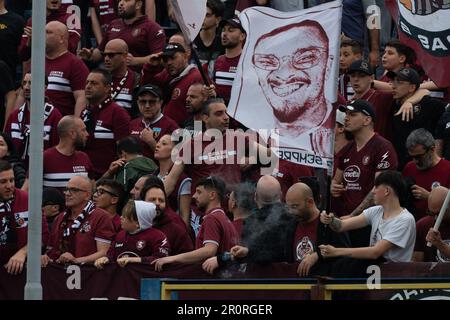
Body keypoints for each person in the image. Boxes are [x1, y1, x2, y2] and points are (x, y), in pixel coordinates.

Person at [252, 20, 334, 155]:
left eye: (305, 58)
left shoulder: (344, 125)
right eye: (267, 62)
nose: (284, 75)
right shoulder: (249, 125)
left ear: (328, 65)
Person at [320, 170, 416, 277]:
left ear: (387, 191)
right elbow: (342, 226)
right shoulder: (376, 211)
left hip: (393, 275)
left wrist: (336, 252)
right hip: (374, 271)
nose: (373, 192)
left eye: (376, 187)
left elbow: (375, 252)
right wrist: (330, 220)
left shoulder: (405, 219)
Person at [332, 99, 398, 247]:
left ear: (367, 120)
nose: (346, 118)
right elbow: (336, 180)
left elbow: (379, 190)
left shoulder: (383, 147)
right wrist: (333, 187)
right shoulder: (348, 149)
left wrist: (353, 216)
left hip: (370, 223)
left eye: (353, 114)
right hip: (346, 221)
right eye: (346, 114)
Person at [152, 176, 238, 271]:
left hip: (214, 280)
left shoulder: (212, 218)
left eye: (199, 192)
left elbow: (209, 250)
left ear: (212, 195)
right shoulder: (225, 219)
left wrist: (172, 258)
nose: (194, 196)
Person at [43, 175, 115, 265]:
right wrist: (45, 257)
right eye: (66, 189)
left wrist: (76, 261)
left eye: (74, 190)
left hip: (89, 275)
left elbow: (104, 253)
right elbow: (52, 251)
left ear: (87, 195)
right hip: (60, 275)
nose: (67, 193)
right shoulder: (60, 218)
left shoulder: (101, 217)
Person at [80, 0, 166, 71]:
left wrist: (136, 61)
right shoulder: (113, 24)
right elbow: (100, 52)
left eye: (126, 0)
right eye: (120, 0)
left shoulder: (152, 27)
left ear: (138, 5)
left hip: (140, 78)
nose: (121, 3)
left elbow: (160, 58)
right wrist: (90, 55)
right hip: (112, 78)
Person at [388, 68, 447, 169]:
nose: (393, 86)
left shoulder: (429, 105)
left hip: (424, 166)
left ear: (412, 87)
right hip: (400, 166)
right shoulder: (393, 104)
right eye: (393, 81)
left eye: (399, 82)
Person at [0, 160, 49, 274]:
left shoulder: (28, 200)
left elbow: (43, 236)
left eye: (12, 180)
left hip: (21, 270)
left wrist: (23, 252)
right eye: (3, 182)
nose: (9, 186)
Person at [82, 68, 131, 179]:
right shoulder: (85, 112)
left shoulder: (118, 113)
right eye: (87, 82)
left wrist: (111, 174)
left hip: (107, 176)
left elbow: (124, 152)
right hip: (84, 175)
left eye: (94, 83)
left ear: (107, 88)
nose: (88, 86)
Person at [5, 72, 62, 167]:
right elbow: (6, 149)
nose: (26, 87)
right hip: (16, 174)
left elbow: (58, 151)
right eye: (24, 83)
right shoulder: (14, 116)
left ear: (44, 88)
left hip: (43, 172)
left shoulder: (54, 116)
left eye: (31, 83)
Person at [140, 42, 204, 126]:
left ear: (185, 57)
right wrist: (151, 67)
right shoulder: (166, 74)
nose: (169, 63)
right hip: (163, 129)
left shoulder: (197, 77)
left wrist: (195, 133)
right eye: (165, 59)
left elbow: (202, 110)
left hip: (184, 131)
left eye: (173, 58)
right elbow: (147, 89)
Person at [94, 200, 170, 268]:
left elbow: (161, 258)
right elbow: (111, 254)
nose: (120, 217)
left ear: (137, 223)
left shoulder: (157, 236)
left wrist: (133, 260)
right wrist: (105, 259)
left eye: (125, 216)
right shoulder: (120, 235)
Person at [402, 129, 450, 220]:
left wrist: (429, 196)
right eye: (412, 157)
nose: (415, 161)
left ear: (432, 149)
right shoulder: (409, 167)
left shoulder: (447, 170)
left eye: (419, 156)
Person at [39, 116, 94, 192]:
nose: (87, 134)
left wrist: (108, 173)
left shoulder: (84, 158)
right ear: (72, 133)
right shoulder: (45, 158)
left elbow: (92, 189)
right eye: (83, 130)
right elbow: (27, 189)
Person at [45, 21, 88, 117]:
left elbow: (82, 98)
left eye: (48, 32)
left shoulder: (75, 64)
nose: (42, 35)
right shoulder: (37, 62)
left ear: (61, 38)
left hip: (61, 126)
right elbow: (22, 95)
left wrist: (76, 125)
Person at [141, 180, 195, 255]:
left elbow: (188, 260)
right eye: (152, 200)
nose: (157, 203)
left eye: (161, 200)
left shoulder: (176, 230)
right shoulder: (133, 225)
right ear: (142, 202)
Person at [129, 84, 178, 160]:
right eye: (143, 101)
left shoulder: (171, 126)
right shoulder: (132, 125)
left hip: (159, 171)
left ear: (160, 103)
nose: (147, 106)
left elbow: (175, 159)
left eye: (152, 102)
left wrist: (151, 142)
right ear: (138, 103)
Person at [153, 134, 192, 228]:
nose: (157, 145)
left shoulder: (184, 180)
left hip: (172, 230)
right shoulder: (151, 176)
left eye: (164, 143)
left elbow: (184, 217)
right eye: (158, 142)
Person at [103, 39, 140, 116]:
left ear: (124, 56)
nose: (106, 59)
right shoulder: (100, 78)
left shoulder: (137, 80)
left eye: (111, 55)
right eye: (105, 55)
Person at [213, 16, 246, 104]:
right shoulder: (219, 60)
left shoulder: (247, 61)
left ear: (242, 36)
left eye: (230, 30)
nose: (224, 33)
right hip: (221, 113)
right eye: (223, 30)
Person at [414, 186, 450, 262]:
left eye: (438, 213)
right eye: (431, 213)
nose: (435, 218)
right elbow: (416, 262)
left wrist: (440, 245)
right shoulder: (422, 225)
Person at [193, 0, 225, 77]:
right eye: (201, 14)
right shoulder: (191, 37)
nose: (202, 18)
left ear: (218, 19)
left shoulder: (223, 40)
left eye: (207, 15)